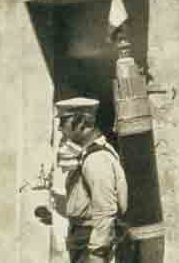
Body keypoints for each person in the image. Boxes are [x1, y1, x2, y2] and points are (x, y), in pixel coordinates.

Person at [55, 97, 128, 263]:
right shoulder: (88, 155)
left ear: (81, 122)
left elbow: (105, 210)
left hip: (91, 240)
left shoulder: (96, 159)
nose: (60, 128)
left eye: (64, 121)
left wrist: (97, 254)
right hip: (83, 239)